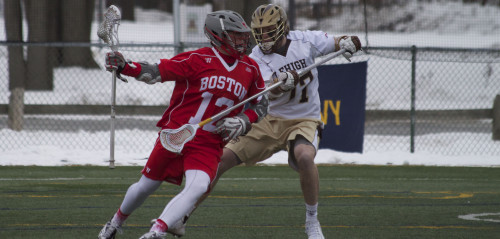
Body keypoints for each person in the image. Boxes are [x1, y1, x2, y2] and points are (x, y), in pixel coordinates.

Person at [169, 3, 362, 239]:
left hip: (303, 119)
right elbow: (264, 93)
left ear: (282, 27)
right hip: (267, 119)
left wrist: (348, 41)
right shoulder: (255, 58)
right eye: (259, 32)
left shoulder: (304, 40)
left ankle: (312, 221)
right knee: (219, 161)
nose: (264, 37)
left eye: (269, 31)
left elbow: (336, 41)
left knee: (304, 156)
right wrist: (279, 84)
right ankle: (183, 216)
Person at [97, 10, 269, 239]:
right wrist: (125, 66)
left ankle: (157, 231)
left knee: (198, 186)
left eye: (242, 35)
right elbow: (155, 72)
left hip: (208, 142)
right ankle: (116, 222)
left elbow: (261, 103)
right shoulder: (197, 59)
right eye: (235, 35)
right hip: (176, 134)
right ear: (218, 35)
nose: (242, 40)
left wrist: (244, 121)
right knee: (145, 186)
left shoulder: (250, 68)